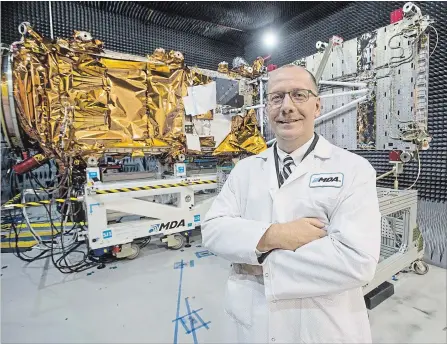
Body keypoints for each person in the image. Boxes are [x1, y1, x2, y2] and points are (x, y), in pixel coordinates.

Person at [202, 65, 381, 344]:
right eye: (277, 97)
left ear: (317, 106)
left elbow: (356, 261)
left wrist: (257, 256)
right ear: (267, 107)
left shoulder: (354, 170)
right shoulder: (246, 170)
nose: (286, 107)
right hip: (255, 323)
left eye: (299, 95)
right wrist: (275, 235)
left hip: (323, 326)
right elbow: (213, 231)